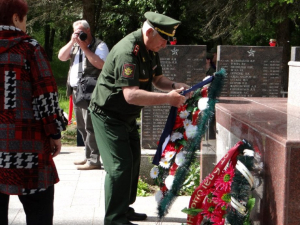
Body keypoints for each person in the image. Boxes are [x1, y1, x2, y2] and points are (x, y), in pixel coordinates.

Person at [89, 11, 190, 225]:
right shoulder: (129, 51)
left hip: (126, 116)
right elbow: (131, 95)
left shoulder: (150, 47)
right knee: (119, 165)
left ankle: (124, 208)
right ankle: (115, 218)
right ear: (150, 32)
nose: (165, 45)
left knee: (134, 161)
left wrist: (174, 86)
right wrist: (168, 99)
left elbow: (158, 79)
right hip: (107, 115)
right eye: (164, 40)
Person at [0, 0, 66, 224]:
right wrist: (55, 134)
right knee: (39, 213)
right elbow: (46, 96)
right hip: (28, 149)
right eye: (25, 19)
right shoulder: (30, 48)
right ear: (16, 18)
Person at [58, 20, 109, 170]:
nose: (78, 34)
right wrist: (72, 41)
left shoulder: (99, 45)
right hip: (77, 92)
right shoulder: (74, 45)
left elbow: (101, 65)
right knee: (81, 126)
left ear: (88, 31)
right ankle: (88, 155)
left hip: (91, 93)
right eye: (75, 31)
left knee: (90, 126)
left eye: (80, 31)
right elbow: (61, 56)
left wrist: (84, 48)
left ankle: (94, 160)